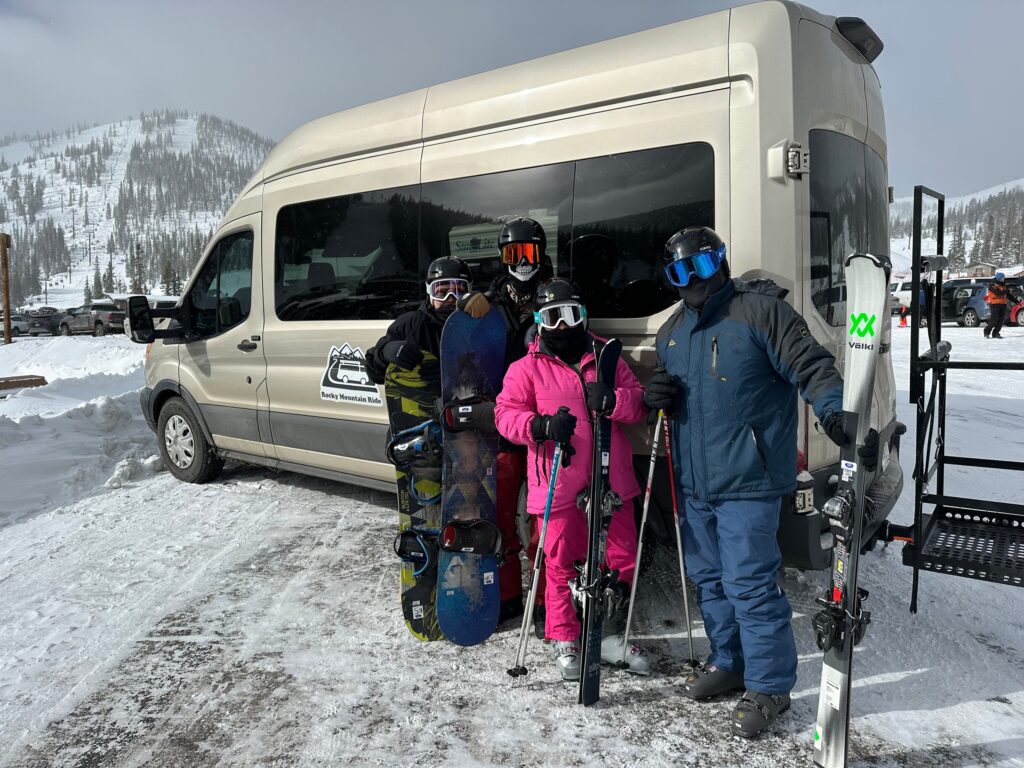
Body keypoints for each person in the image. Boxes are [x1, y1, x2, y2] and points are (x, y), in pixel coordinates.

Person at [643, 226, 879, 738]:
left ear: (721, 262)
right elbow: (674, 392)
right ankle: (729, 663)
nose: (694, 281)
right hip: (694, 480)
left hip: (748, 477)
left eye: (702, 266)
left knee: (750, 584)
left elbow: (812, 366)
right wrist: (655, 394)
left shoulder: (761, 312)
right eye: (680, 273)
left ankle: (770, 685)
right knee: (710, 580)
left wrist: (835, 413)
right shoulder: (672, 331)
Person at [494, 278, 652, 680]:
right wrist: (540, 425)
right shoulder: (526, 368)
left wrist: (614, 400)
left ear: (582, 315)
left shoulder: (606, 356)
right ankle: (566, 638)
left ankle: (612, 635)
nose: (563, 326)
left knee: (621, 559)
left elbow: (637, 404)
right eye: (552, 317)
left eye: (571, 315)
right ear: (540, 322)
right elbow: (505, 415)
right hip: (558, 481)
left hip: (610, 477)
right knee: (560, 562)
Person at [454, 217, 556, 628]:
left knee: (544, 518)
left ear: (541, 252)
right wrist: (470, 316)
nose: (523, 262)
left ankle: (549, 598)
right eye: (514, 254)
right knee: (500, 516)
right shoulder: (493, 302)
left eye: (530, 252)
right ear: (503, 257)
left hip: (545, 423)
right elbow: (468, 351)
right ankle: (510, 594)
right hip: (506, 422)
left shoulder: (554, 295)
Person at [365, 256, 471, 384]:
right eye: (442, 293)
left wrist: (453, 372)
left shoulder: (478, 324)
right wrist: (385, 352)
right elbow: (375, 374)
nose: (450, 299)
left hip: (468, 400)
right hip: (425, 401)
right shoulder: (412, 324)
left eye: (459, 292)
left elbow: (492, 369)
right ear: (429, 293)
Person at [983, 272, 1014, 339]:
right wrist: (1007, 291)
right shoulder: (992, 285)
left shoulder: (1003, 285)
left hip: (1003, 304)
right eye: (1002, 278)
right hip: (994, 304)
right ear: (999, 278)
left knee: (1001, 320)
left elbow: (1008, 295)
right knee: (994, 319)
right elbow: (998, 293)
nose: (1004, 279)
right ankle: (986, 332)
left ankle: (996, 333)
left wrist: (1016, 301)